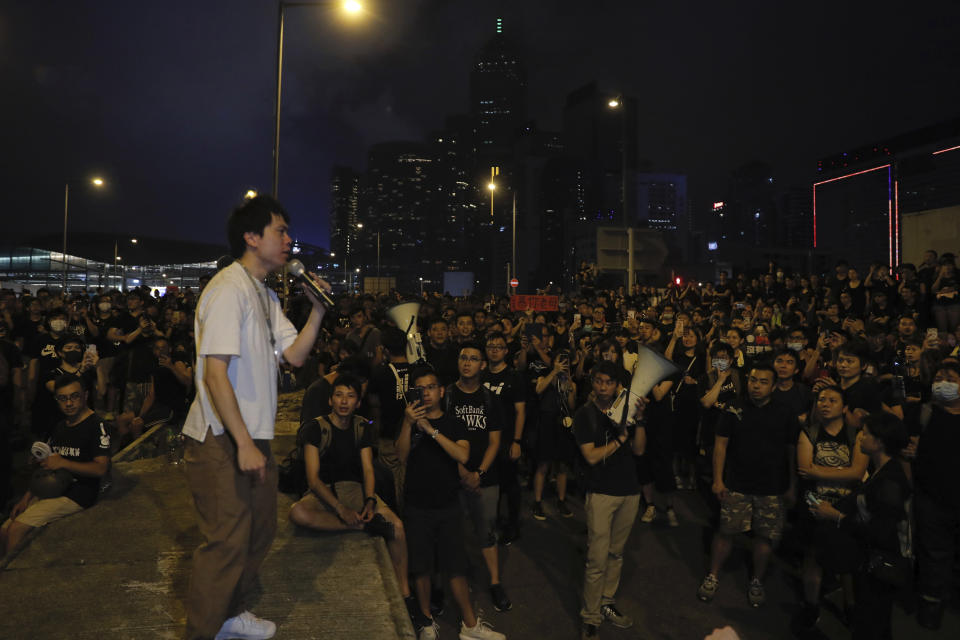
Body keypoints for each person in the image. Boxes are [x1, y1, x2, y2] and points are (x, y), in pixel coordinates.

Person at [180, 195, 330, 640]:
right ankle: (202, 632)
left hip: (252, 436)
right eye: (280, 231)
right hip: (220, 436)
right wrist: (243, 443)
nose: (288, 240)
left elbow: (295, 356)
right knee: (226, 542)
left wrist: (318, 310)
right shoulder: (229, 289)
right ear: (252, 237)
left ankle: (231, 613)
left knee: (259, 531)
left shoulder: (263, 293)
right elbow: (214, 373)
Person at [395, 367, 506, 640]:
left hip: (448, 505)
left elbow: (463, 455)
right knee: (421, 567)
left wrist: (431, 431)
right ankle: (426, 621)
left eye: (431, 387)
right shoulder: (410, 421)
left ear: (441, 391)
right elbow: (401, 456)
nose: (426, 393)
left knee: (455, 566)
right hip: (417, 505)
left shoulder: (454, 422)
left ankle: (469, 625)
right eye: (420, 389)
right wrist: (409, 425)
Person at [287, 374, 410, 601]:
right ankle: (360, 527)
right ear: (330, 400)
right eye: (339, 395)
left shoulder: (361, 427)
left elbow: (368, 470)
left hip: (355, 489)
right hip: (324, 491)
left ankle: (404, 593)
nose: (344, 401)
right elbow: (313, 479)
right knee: (297, 512)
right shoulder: (315, 428)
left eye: (350, 396)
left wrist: (370, 500)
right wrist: (340, 509)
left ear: (358, 402)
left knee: (398, 528)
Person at [697, 362, 796, 608]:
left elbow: (791, 451)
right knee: (726, 531)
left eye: (763, 382)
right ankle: (713, 576)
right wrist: (718, 479)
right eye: (753, 380)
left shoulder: (785, 411)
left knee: (764, 537)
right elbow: (720, 445)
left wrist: (792, 485)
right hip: (736, 483)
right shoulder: (733, 407)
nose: (756, 386)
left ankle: (756, 581)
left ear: (773, 386)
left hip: (771, 487)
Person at [808, 413, 911, 640]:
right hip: (871, 564)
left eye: (866, 434)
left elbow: (881, 532)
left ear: (880, 442)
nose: (860, 438)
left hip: (881, 568)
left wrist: (835, 516)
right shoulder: (881, 471)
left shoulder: (890, 481)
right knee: (875, 622)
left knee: (872, 624)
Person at [573, 360, 647, 640]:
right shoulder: (585, 414)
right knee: (596, 558)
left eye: (609, 382)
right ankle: (590, 616)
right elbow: (590, 456)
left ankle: (606, 602)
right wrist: (620, 440)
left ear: (618, 385)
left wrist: (639, 421)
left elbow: (640, 450)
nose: (603, 387)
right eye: (598, 381)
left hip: (629, 491)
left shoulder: (628, 408)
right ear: (592, 382)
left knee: (616, 553)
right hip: (601, 492)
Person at [1, 374, 110, 555]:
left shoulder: (96, 425)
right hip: (52, 488)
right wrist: (26, 498)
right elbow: (46, 465)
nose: (69, 403)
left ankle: (14, 579)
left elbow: (101, 468)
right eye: (63, 398)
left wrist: (63, 463)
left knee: (16, 529)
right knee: (4, 529)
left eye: (74, 396)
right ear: (56, 400)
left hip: (79, 493)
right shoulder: (60, 426)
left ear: (85, 395)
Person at [445, 342, 511, 612]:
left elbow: (495, 442)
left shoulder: (490, 399)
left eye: (473, 358)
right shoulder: (447, 395)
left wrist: (479, 472)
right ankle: (455, 580)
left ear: (482, 365)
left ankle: (495, 582)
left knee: (486, 530)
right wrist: (461, 471)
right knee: (454, 530)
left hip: (486, 476)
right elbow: (443, 436)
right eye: (463, 357)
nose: (467, 363)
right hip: (453, 475)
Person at [914, 362, 960, 629]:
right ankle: (932, 608)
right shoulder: (926, 413)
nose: (943, 382)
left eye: (951, 378)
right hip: (931, 499)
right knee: (934, 555)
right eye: (939, 377)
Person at [480, 332, 526, 545]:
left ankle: (513, 524)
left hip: (506, 438)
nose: (495, 350)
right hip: (484, 438)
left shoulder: (514, 377)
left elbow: (520, 411)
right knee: (490, 482)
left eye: (499, 346)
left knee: (510, 485)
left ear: (506, 351)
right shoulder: (481, 376)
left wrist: (517, 442)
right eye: (491, 346)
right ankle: (493, 521)